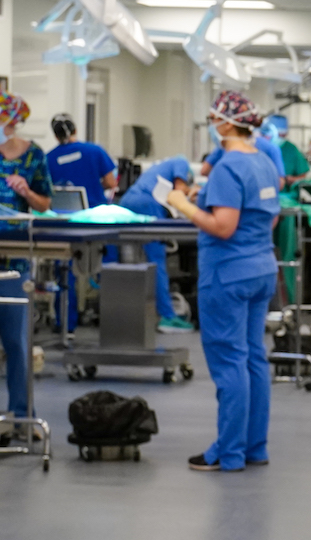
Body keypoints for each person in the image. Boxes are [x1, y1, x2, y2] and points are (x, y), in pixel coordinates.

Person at [166, 90, 280, 472]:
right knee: (253, 359)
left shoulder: (229, 166)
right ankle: (254, 447)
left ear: (229, 123)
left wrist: (185, 206)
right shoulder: (263, 162)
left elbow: (224, 226)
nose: (212, 122)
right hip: (261, 268)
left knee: (230, 361)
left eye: (215, 116)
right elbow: (270, 217)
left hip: (228, 274)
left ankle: (229, 453)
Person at [0, 92, 51, 424]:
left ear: (12, 120)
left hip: (14, 259)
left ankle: (21, 415)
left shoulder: (33, 156)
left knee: (16, 342)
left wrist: (25, 192)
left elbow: (45, 203)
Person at [46, 114, 117, 334]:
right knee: (109, 268)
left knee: (65, 268)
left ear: (55, 134)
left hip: (66, 221)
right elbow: (111, 182)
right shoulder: (94, 151)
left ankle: (66, 323)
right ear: (75, 129)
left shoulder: (49, 158)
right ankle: (115, 320)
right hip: (97, 221)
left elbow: (45, 190)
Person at [117, 156, 196, 333]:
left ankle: (122, 314)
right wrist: (192, 196)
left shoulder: (159, 167)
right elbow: (179, 190)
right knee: (156, 261)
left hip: (128, 201)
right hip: (147, 204)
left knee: (124, 261)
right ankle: (167, 317)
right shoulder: (182, 162)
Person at [263, 115, 311, 305]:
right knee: (262, 255)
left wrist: (291, 180)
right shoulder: (261, 148)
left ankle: (289, 303)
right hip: (265, 206)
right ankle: (267, 303)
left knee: (287, 256)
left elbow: (302, 173)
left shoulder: (289, 149)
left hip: (285, 206)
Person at [201, 117, 285, 190]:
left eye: (213, 118)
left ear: (228, 124)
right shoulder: (266, 155)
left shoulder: (226, 162)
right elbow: (279, 183)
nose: (212, 125)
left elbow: (204, 170)